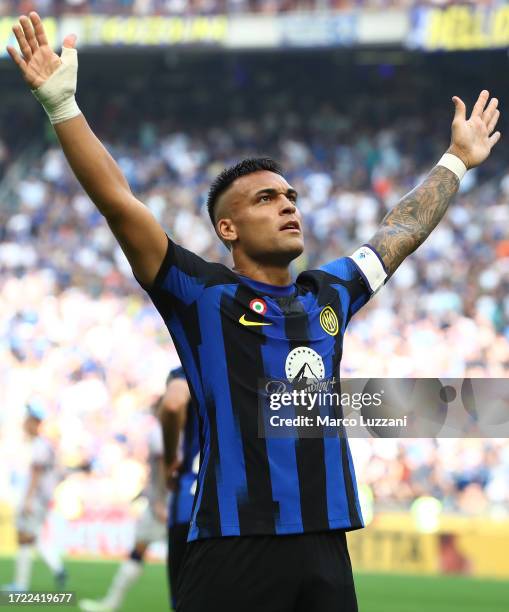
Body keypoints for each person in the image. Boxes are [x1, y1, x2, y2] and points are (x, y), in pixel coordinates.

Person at [7, 12, 501, 611]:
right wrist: (63, 107)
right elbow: (120, 203)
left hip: (326, 545)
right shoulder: (200, 294)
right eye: (266, 198)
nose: (288, 205)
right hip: (233, 547)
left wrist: (455, 160)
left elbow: (400, 230)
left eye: (291, 196)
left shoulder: (330, 293)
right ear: (227, 227)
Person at [78, 401, 167, 612]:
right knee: (143, 549)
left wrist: (159, 501)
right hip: (173, 501)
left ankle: (111, 603)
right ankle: (111, 602)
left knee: (144, 550)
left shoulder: (160, 432)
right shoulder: (179, 430)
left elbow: (163, 466)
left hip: (165, 504)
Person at [3, 403, 66, 592]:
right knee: (32, 537)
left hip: (35, 498)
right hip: (40, 497)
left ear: (34, 422)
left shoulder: (40, 446)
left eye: (28, 419)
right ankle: (58, 568)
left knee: (24, 537)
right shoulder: (41, 445)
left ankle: (21, 585)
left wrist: (28, 500)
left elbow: (36, 475)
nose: (24, 422)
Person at [160, 367, 199, 610]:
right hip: (259, 507)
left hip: (194, 501)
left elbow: (173, 404)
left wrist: (169, 459)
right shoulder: (264, 359)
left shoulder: (195, 364)